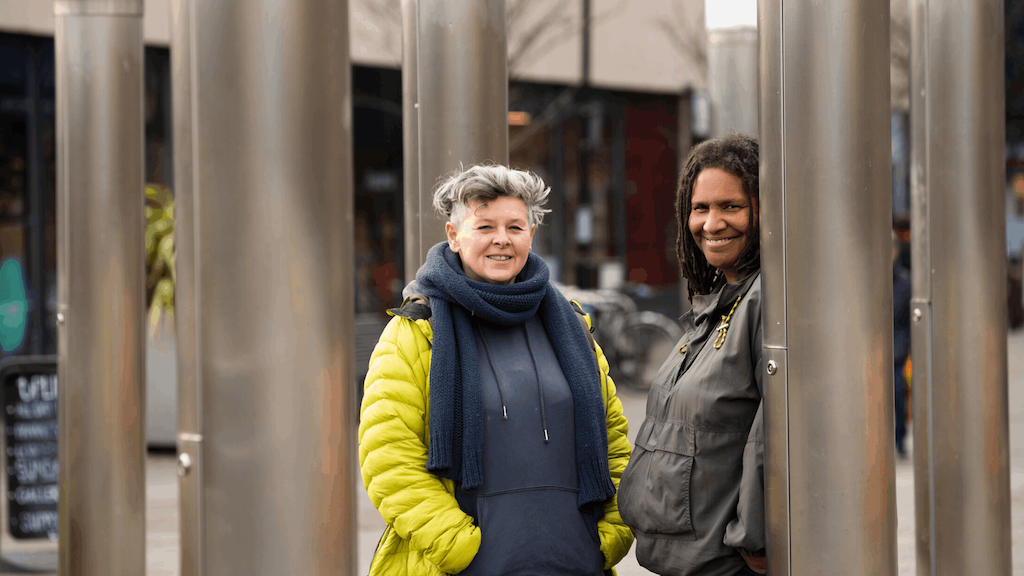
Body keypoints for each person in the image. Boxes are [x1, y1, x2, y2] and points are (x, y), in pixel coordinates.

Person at [358, 164, 634, 575]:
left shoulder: (572, 327)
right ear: (454, 236)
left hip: (573, 563)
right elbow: (389, 457)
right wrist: (459, 548)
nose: (501, 240)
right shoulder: (416, 331)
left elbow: (613, 440)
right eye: (484, 226)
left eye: (515, 227)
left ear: (531, 235)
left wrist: (609, 535)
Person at [617, 133, 766, 576]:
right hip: (682, 559)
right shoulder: (719, 299)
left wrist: (752, 541)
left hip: (728, 564)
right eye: (700, 208)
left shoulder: (766, 301)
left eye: (731, 206)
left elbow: (772, 435)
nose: (712, 223)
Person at [892, 230, 912, 457]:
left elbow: (908, 321)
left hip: (898, 350)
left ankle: (900, 438)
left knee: (898, 393)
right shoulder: (873, 282)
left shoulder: (905, 282)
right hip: (876, 351)